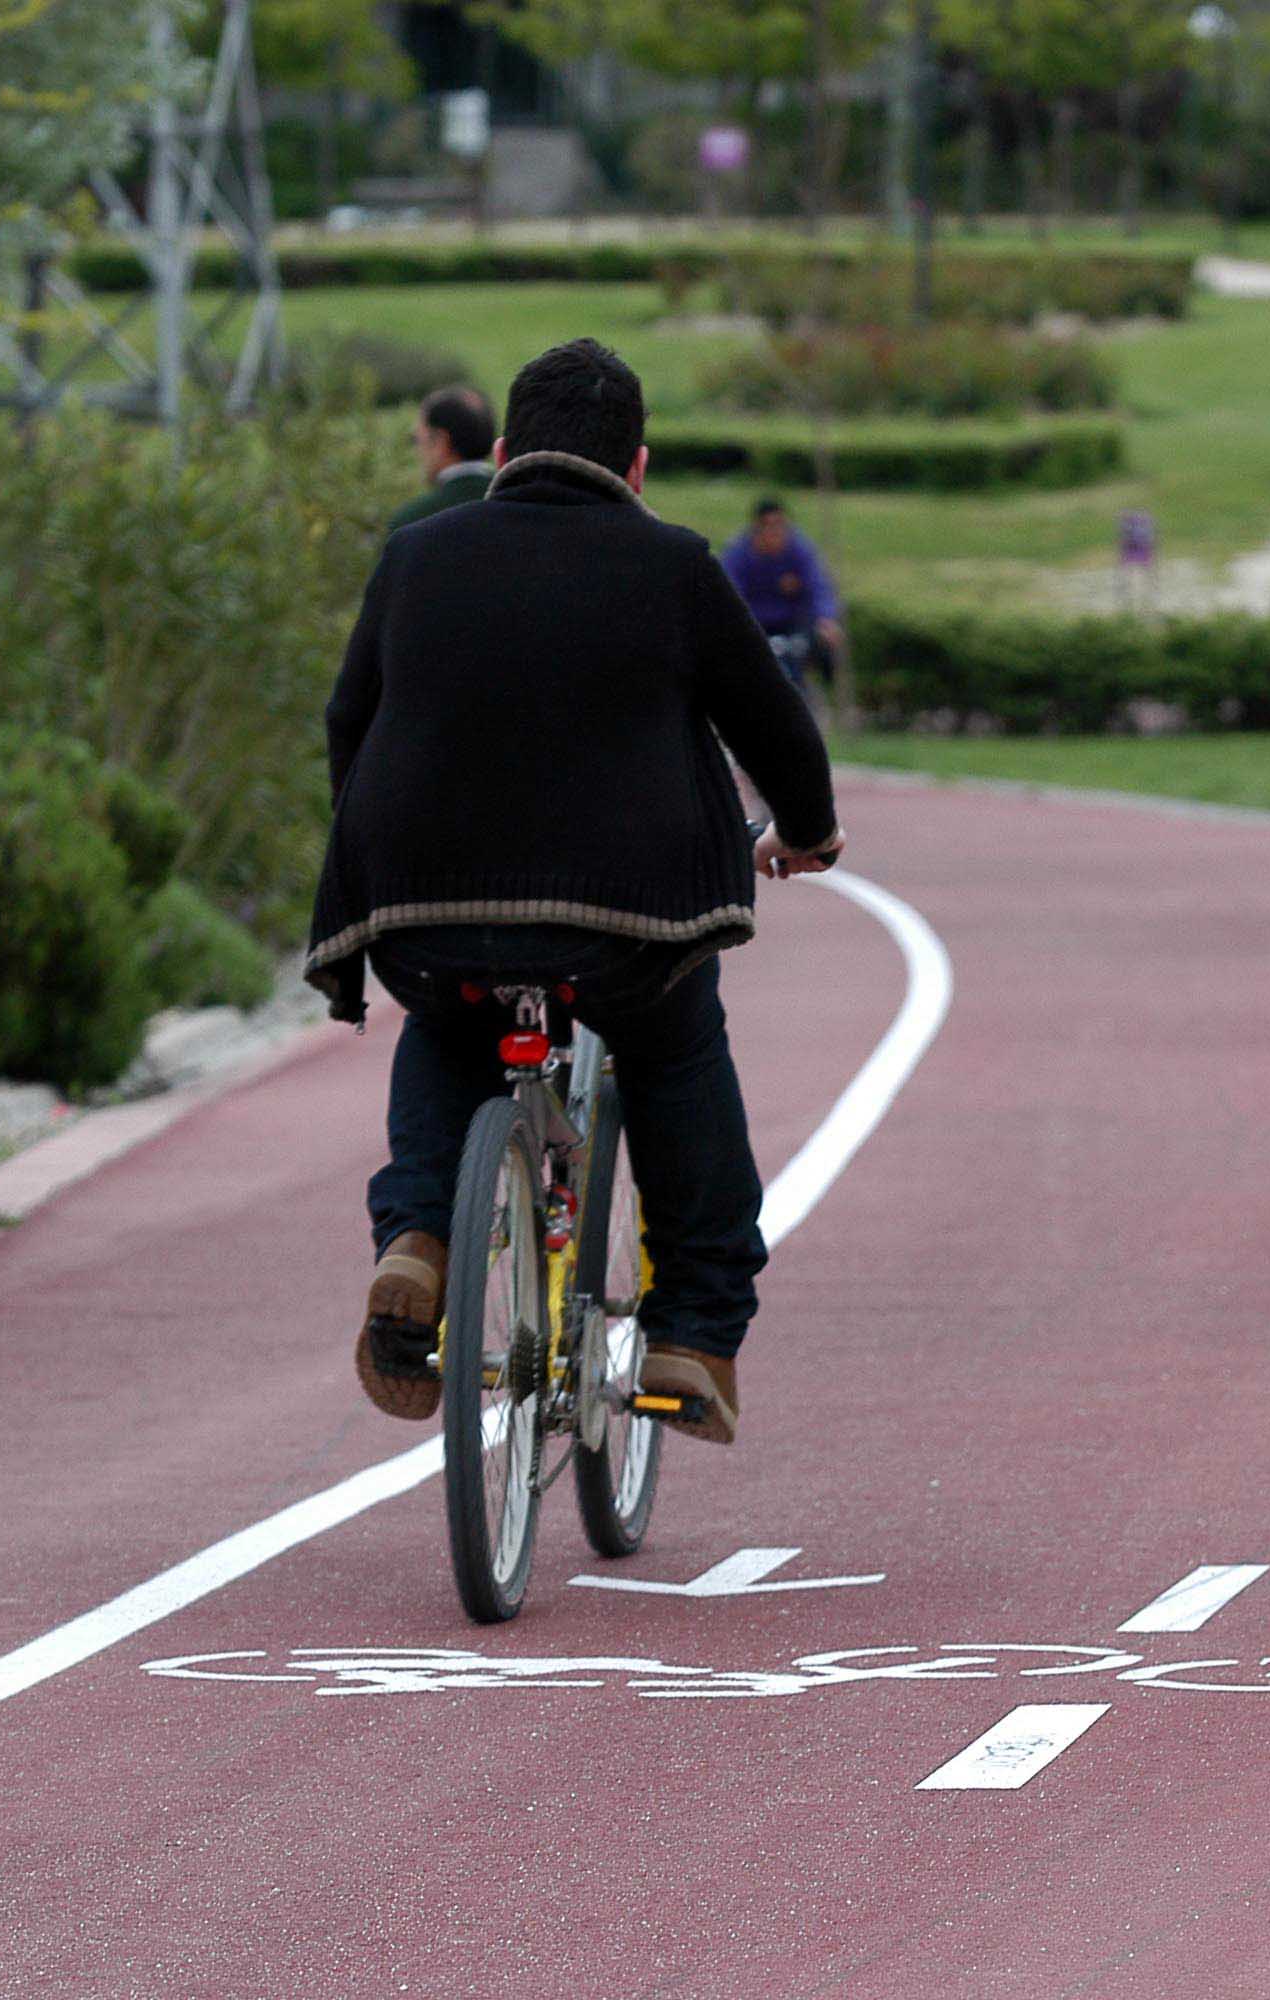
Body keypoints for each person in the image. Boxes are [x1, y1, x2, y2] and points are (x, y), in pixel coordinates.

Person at [307, 338, 846, 1443]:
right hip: (622, 927)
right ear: (637, 469)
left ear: (501, 452)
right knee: (676, 1046)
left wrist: (377, 859)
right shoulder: (675, 564)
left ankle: (417, 1236)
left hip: (424, 908)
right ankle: (690, 1333)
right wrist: (807, 833)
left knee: (449, 1025)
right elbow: (775, 726)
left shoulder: (416, 555)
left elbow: (345, 722)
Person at [719, 497, 845, 692]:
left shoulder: (799, 548)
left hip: (791, 623)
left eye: (781, 526)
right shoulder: (738, 553)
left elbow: (818, 584)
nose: (775, 533)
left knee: (811, 653)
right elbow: (729, 592)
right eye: (769, 527)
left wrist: (826, 618)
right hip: (754, 622)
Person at [385, 385, 497, 532]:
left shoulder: (411, 521)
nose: (418, 451)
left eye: (417, 439)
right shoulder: (518, 502)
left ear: (440, 442)